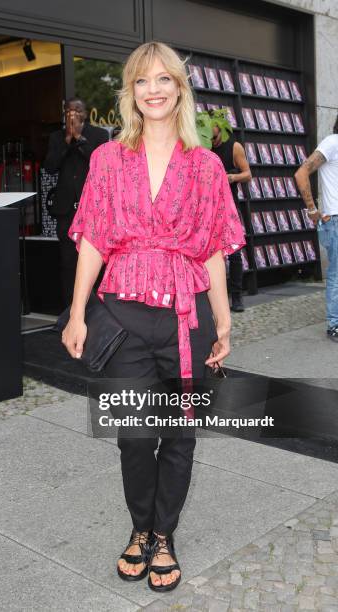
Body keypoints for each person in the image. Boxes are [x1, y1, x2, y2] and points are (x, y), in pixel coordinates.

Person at [62, 42, 245, 592]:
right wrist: (76, 315)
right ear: (131, 93)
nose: (154, 90)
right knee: (135, 435)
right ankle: (140, 528)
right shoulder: (108, 158)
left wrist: (224, 321)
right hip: (121, 317)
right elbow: (92, 239)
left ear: (180, 89)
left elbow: (213, 248)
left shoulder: (207, 165)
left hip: (188, 321)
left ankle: (164, 534)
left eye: (164, 79)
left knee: (180, 434)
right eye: (143, 81)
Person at [44, 99, 109, 306]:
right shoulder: (56, 137)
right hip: (66, 213)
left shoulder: (98, 135)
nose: (72, 114)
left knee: (95, 262)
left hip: (92, 212)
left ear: (85, 113)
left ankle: (97, 311)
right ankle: (70, 311)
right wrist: (67, 141)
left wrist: (79, 138)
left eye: (77, 110)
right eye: (69, 110)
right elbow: (50, 167)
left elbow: (102, 165)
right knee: (68, 263)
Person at [295, 114, 338, 342]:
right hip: (336, 220)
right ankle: (335, 325)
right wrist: (311, 209)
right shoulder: (332, 142)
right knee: (337, 274)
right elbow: (301, 173)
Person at [211, 124, 252, 312]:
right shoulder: (202, 146)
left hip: (228, 205)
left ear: (220, 128)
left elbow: (247, 174)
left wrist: (232, 178)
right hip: (208, 206)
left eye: (212, 131)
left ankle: (237, 296)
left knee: (234, 253)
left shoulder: (233, 146)